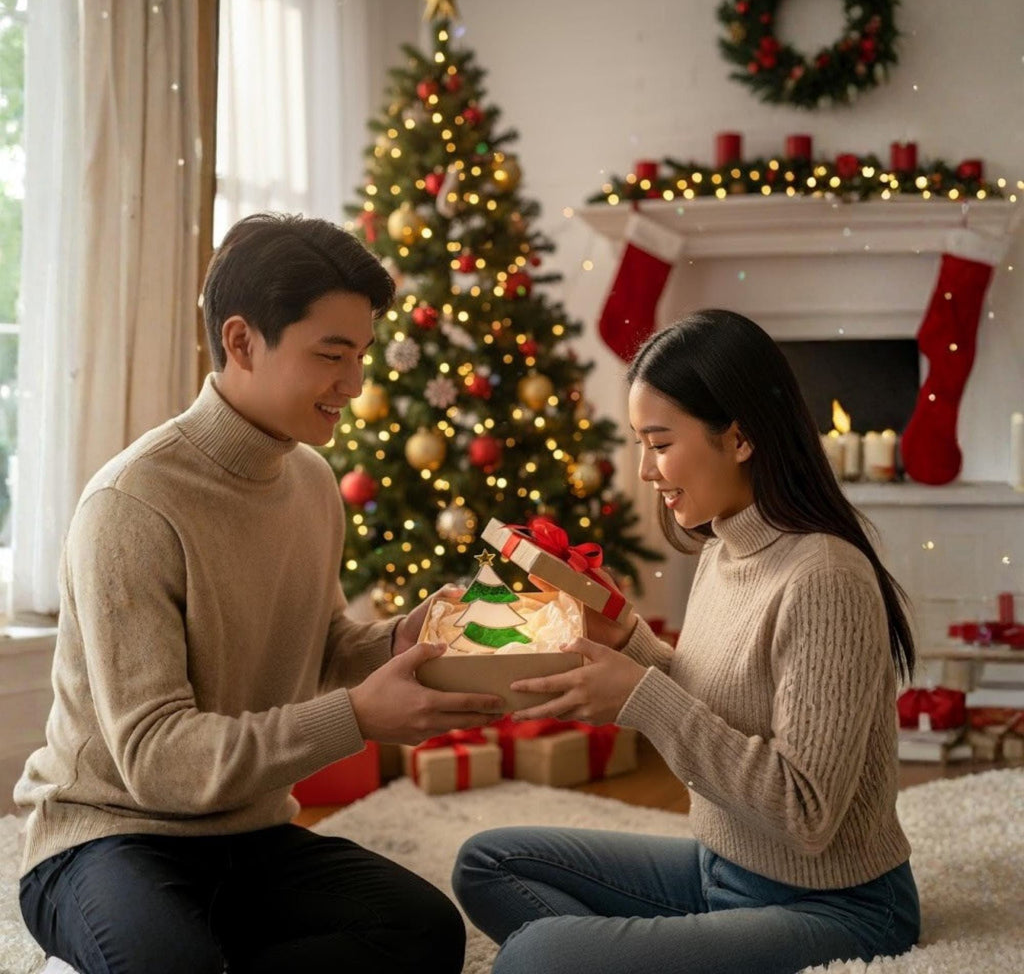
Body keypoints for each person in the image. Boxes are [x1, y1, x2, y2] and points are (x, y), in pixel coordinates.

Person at [15, 212, 503, 974]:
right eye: (331, 355)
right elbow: (158, 759)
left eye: (362, 355)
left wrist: (404, 640)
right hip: (106, 833)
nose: (355, 383)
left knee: (425, 933)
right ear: (241, 342)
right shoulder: (131, 507)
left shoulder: (310, 481)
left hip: (246, 834)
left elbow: (323, 644)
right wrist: (358, 718)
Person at [453, 308, 920, 974]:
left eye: (660, 442)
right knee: (485, 863)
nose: (645, 470)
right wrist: (633, 644)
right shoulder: (724, 549)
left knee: (534, 957)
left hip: (839, 906)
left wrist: (641, 697)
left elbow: (807, 814)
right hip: (721, 870)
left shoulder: (825, 577)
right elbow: (723, 697)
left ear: (739, 438)